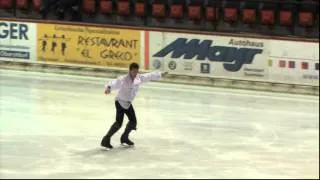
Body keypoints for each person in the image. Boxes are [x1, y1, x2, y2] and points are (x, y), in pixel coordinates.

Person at [101, 63, 168, 149]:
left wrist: (160, 74)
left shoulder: (139, 78)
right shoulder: (124, 79)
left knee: (133, 122)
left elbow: (149, 76)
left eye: (136, 71)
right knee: (118, 123)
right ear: (130, 71)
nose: (135, 73)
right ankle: (106, 140)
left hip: (128, 103)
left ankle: (124, 138)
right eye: (133, 71)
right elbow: (113, 83)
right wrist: (108, 88)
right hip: (120, 102)